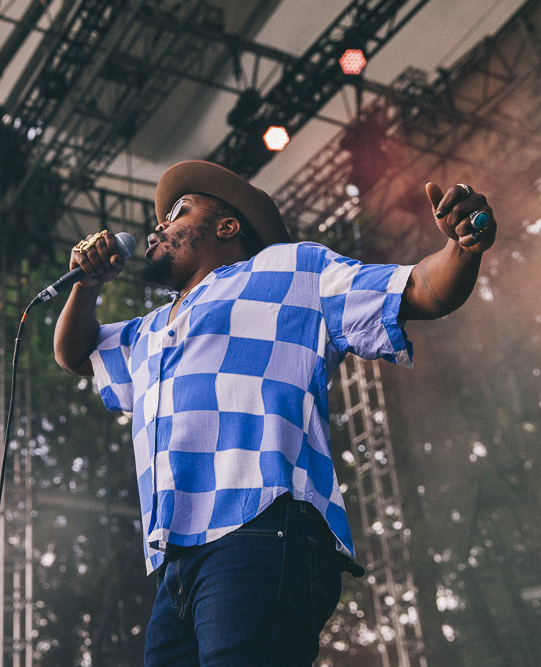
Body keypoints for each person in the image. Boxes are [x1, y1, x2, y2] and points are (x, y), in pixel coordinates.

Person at [53, 160, 496, 666]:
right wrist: (85, 285)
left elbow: (422, 290)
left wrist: (462, 245)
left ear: (227, 226)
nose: (159, 224)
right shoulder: (149, 329)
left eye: (178, 211)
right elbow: (74, 353)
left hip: (260, 529)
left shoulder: (292, 270)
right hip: (176, 563)